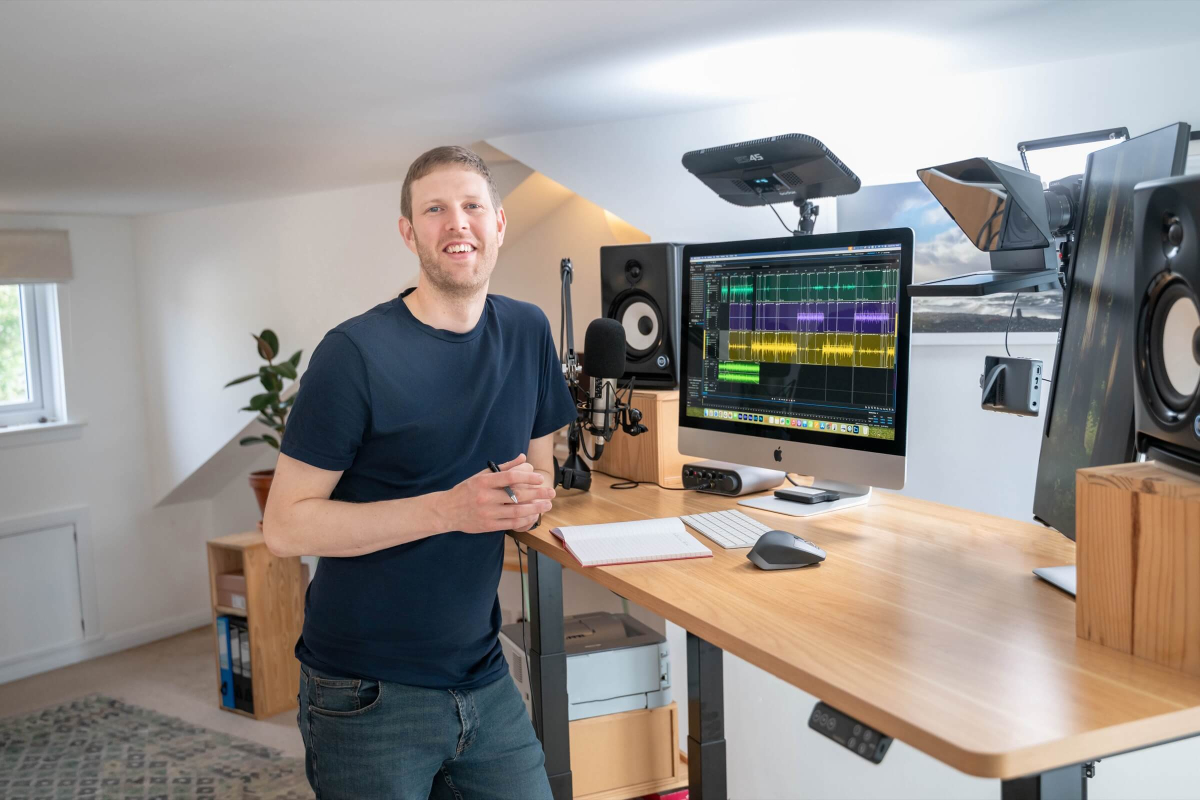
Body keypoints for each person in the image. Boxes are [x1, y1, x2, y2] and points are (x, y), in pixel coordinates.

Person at [263, 145, 577, 800]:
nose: (455, 223)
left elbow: (537, 471)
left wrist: (528, 497)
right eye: (434, 209)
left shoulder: (526, 330)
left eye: (471, 206)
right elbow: (284, 528)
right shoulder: (354, 353)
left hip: (482, 672)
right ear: (409, 233)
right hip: (365, 688)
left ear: (498, 224)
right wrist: (447, 510)